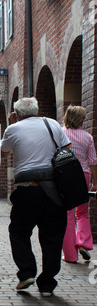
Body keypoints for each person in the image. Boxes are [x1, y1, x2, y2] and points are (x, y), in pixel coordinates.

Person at [0, 97, 71, 297]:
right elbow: (66, 149)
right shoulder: (53, 124)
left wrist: (12, 124)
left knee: (19, 232)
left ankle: (26, 273)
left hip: (27, 190)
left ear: (17, 113)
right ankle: (47, 283)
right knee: (52, 237)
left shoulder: (13, 129)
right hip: (54, 191)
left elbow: (4, 153)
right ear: (37, 110)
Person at [61, 105, 97, 262]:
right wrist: (95, 183)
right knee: (82, 212)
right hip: (84, 174)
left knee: (67, 214)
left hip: (66, 175)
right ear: (79, 118)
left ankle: (70, 255)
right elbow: (93, 161)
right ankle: (82, 242)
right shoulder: (87, 137)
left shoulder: (61, 133)